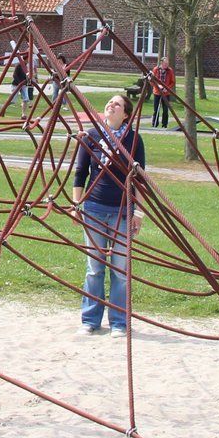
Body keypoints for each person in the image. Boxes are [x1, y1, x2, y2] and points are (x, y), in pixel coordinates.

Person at [70, 93, 147, 335]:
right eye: (110, 102)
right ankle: (90, 321)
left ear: (126, 114)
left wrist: (139, 212)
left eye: (117, 104)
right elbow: (80, 172)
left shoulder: (134, 140)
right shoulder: (92, 135)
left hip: (121, 211)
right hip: (93, 208)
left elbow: (140, 179)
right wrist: (76, 204)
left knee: (120, 269)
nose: (111, 106)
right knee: (94, 267)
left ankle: (118, 323)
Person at [149, 57, 177, 129]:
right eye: (165, 63)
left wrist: (167, 88)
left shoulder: (170, 71)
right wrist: (157, 86)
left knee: (165, 110)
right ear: (161, 63)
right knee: (156, 109)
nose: (166, 65)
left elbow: (172, 82)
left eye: (167, 64)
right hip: (157, 92)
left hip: (166, 93)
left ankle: (164, 125)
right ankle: (154, 124)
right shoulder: (156, 69)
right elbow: (152, 81)